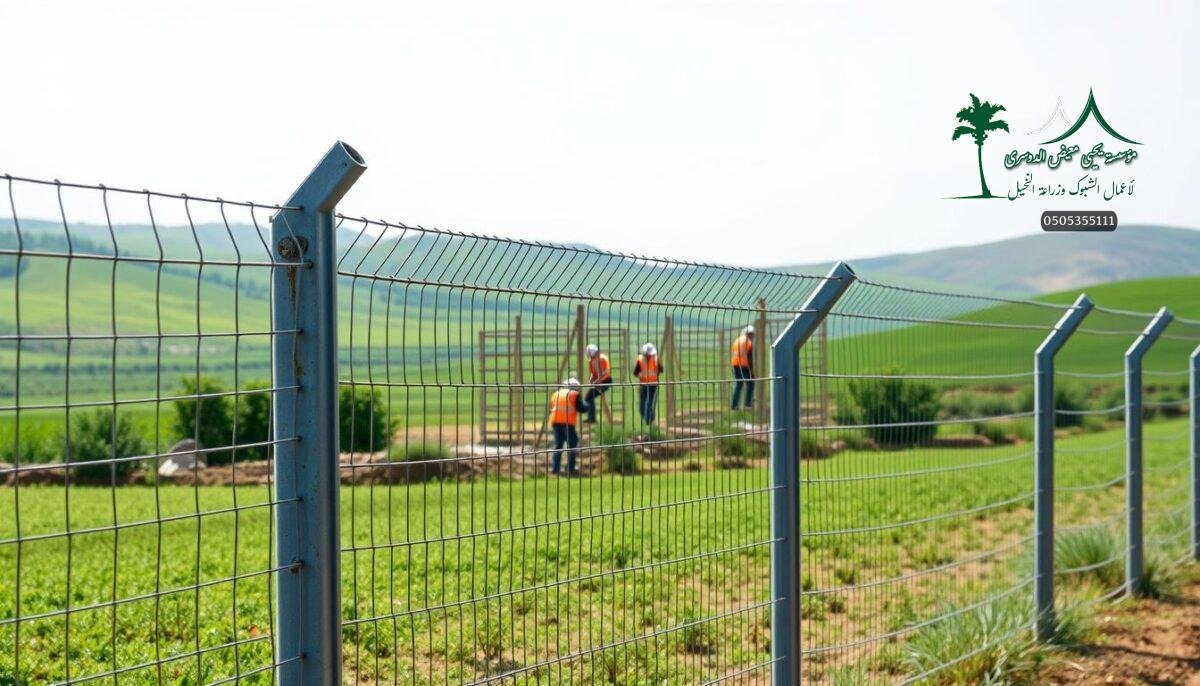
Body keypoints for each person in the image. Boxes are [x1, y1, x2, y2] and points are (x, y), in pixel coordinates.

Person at [548, 377, 588, 475]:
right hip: (567, 424)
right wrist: (589, 405)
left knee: (558, 446)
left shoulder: (556, 393)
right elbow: (581, 408)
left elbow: (551, 407)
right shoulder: (574, 394)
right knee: (572, 445)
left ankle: (555, 469)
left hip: (556, 422)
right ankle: (571, 469)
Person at [583, 343, 612, 423]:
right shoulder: (596, 359)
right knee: (590, 397)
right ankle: (594, 418)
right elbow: (594, 374)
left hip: (604, 382)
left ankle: (592, 418)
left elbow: (600, 374)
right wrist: (592, 380)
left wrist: (594, 382)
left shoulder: (599, 360)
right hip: (602, 382)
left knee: (588, 397)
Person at [633, 342, 660, 425]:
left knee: (648, 404)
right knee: (641, 406)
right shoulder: (640, 360)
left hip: (653, 385)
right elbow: (635, 372)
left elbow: (660, 369)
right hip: (643, 385)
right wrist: (640, 375)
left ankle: (649, 423)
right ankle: (651, 420)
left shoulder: (655, 359)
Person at [731, 324, 755, 410]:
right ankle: (748, 404)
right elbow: (749, 358)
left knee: (739, 384)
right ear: (749, 333)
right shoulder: (748, 342)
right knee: (750, 383)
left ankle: (734, 405)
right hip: (744, 365)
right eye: (752, 334)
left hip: (735, 365)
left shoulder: (737, 340)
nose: (752, 336)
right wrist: (752, 370)